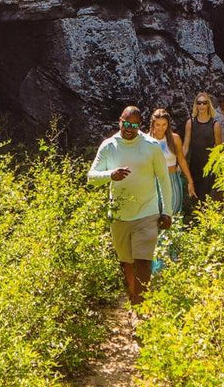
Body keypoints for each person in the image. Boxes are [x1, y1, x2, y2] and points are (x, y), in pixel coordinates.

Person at [87, 105, 172, 305]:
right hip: (119, 215)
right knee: (127, 263)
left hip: (147, 212)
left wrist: (166, 212)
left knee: (143, 261)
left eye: (134, 125)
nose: (129, 128)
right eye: (126, 124)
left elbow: (163, 179)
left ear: (140, 126)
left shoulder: (151, 146)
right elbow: (91, 177)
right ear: (120, 121)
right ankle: (133, 298)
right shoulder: (109, 146)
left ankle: (140, 308)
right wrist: (111, 175)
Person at [147, 107, 192, 217]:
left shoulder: (174, 138)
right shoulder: (146, 140)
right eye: (157, 124)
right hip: (153, 179)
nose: (161, 128)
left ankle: (174, 233)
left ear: (168, 125)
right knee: (155, 212)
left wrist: (190, 181)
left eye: (164, 124)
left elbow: (181, 160)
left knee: (174, 210)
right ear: (152, 124)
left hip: (172, 178)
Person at [182, 91, 217, 216]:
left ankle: (205, 221)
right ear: (196, 105)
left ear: (208, 105)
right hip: (195, 165)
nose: (202, 105)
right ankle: (196, 222)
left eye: (204, 103)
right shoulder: (190, 123)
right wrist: (179, 162)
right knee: (195, 196)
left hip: (209, 167)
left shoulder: (215, 124)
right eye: (199, 103)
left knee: (204, 195)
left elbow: (218, 148)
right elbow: (185, 145)